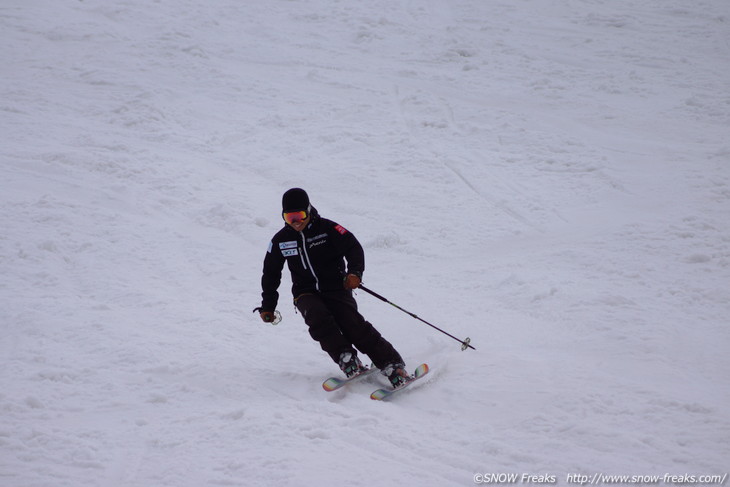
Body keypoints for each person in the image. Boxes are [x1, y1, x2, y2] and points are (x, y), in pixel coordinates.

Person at [255, 188, 410, 388]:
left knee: (352, 324)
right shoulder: (280, 241)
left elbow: (353, 247)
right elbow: (270, 273)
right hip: (305, 291)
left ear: (308, 211)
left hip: (336, 287)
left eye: (299, 215)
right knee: (316, 316)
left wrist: (355, 273)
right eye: (289, 217)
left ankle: (393, 366)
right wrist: (268, 305)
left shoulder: (327, 229)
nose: (296, 221)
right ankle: (346, 358)